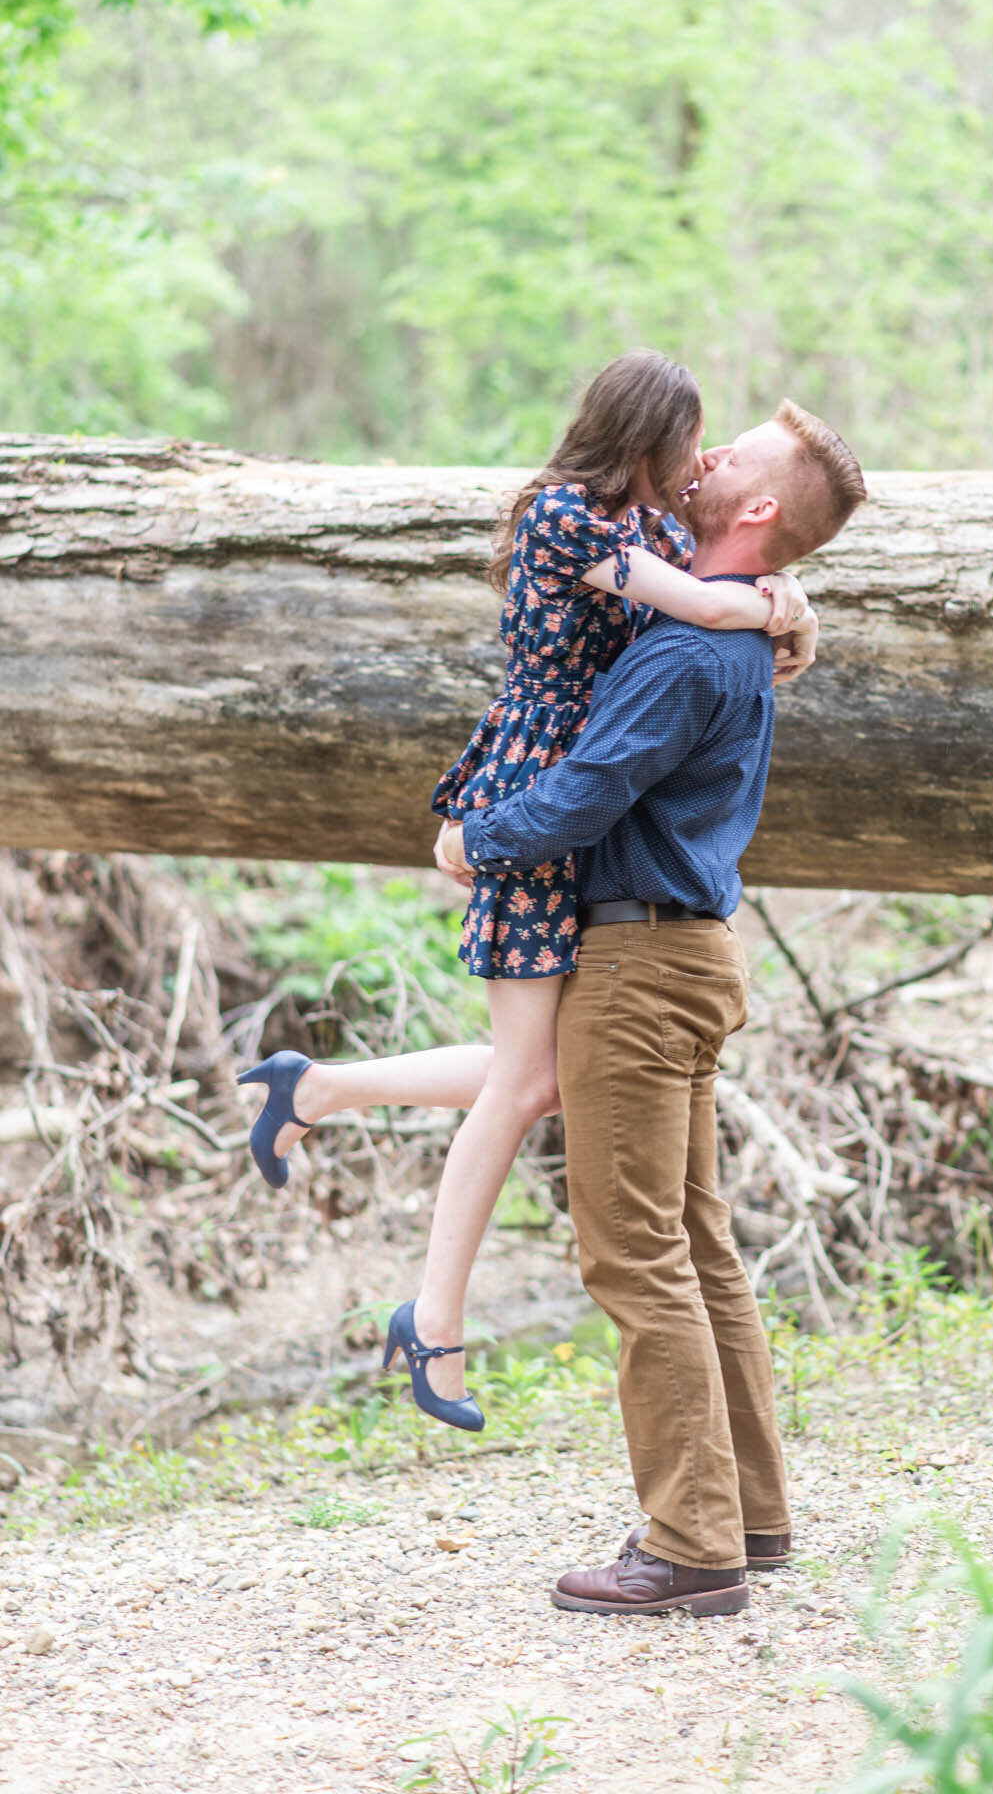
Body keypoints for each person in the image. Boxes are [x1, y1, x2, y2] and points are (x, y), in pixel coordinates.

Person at [236, 350, 816, 1431]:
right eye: (692, 443)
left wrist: (787, 597)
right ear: (645, 439)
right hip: (534, 786)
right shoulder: (563, 516)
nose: (701, 463)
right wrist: (774, 604)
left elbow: (711, 582)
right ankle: (433, 1316)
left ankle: (316, 1097)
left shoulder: (642, 525)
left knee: (530, 1073)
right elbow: (699, 599)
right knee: (524, 1081)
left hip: (569, 785)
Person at [437, 400, 867, 1615]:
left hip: (634, 968)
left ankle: (689, 1545)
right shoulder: (721, 627)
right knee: (699, 1245)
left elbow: (580, 794)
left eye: (726, 457)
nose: (703, 458)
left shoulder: (687, 651)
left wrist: (471, 838)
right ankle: (753, 1517)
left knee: (635, 1254)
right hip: (691, 954)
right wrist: (786, 602)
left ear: (761, 510)